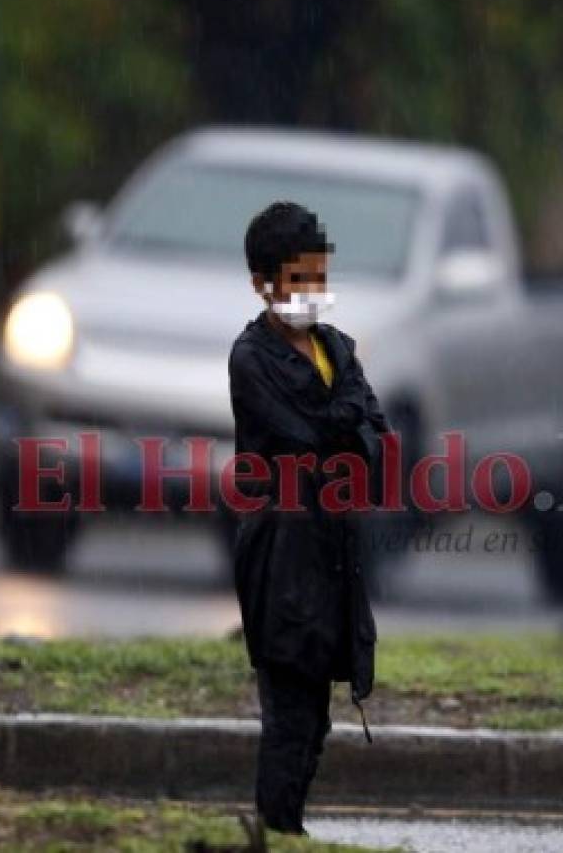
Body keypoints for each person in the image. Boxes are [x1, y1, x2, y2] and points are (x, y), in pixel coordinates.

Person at [228, 200, 391, 835]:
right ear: (263, 284)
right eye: (297, 279)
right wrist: (344, 432)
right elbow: (308, 444)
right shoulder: (251, 359)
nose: (310, 293)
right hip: (281, 551)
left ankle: (285, 826)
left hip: (333, 553)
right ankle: (275, 827)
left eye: (317, 277)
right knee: (290, 710)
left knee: (317, 711)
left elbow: (373, 436)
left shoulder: (339, 351)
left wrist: (347, 435)